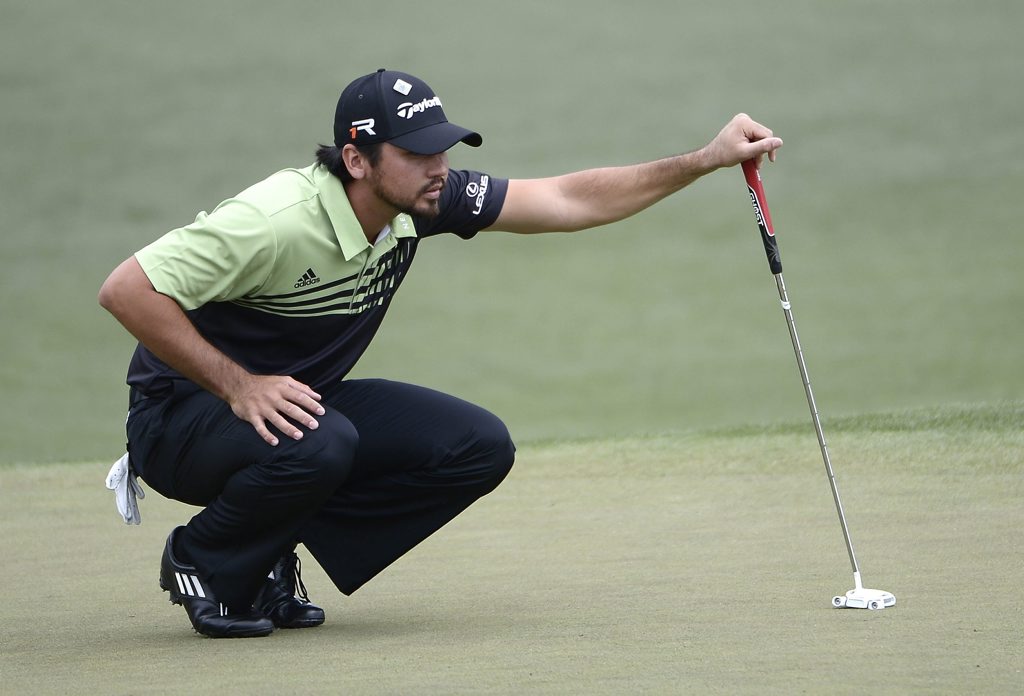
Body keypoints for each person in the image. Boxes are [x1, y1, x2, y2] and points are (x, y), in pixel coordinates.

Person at [98, 68, 783, 638]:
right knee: (323, 442)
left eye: (442, 150)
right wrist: (239, 386)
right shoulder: (274, 220)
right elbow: (126, 289)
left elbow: (569, 200)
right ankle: (204, 559)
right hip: (180, 421)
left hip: (293, 410)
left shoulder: (422, 202)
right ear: (358, 159)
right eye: (418, 153)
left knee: (475, 445)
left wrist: (704, 159)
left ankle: (265, 548)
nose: (439, 170)